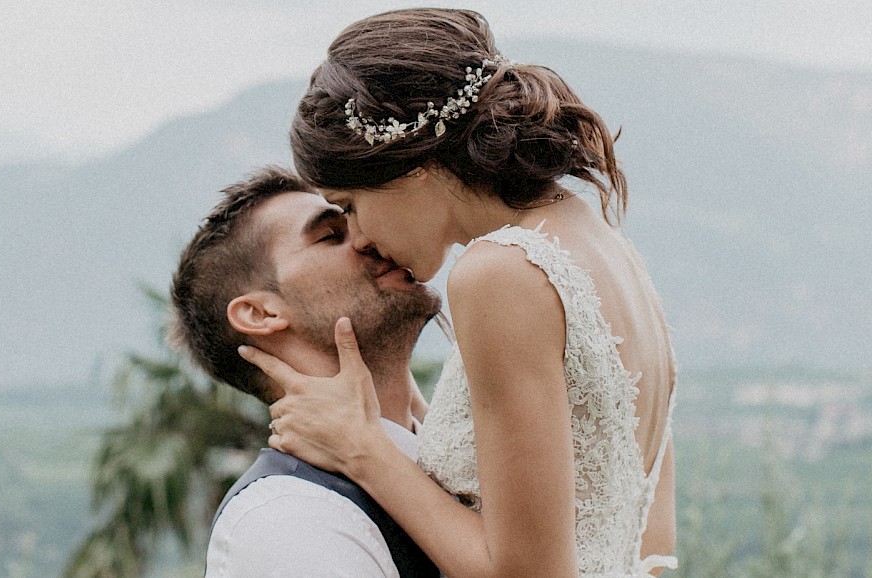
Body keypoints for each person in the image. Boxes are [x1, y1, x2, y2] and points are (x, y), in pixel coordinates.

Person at [237, 8, 678, 577]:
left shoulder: (499, 273)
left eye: (350, 206)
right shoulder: (607, 250)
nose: (362, 238)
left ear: (411, 164)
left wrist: (361, 447)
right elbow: (652, 549)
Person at [169, 166, 443, 577]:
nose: (370, 236)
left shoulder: (453, 448)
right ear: (261, 313)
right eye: (332, 235)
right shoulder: (286, 517)